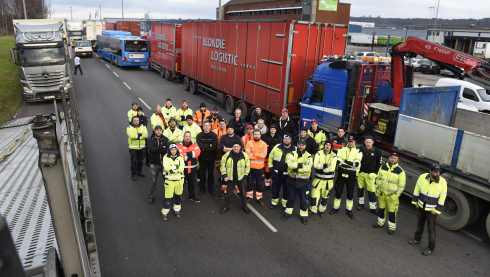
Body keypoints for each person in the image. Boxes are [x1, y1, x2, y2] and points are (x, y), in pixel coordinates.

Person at [408, 163, 447, 256]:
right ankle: (417, 239)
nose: (438, 174)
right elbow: (417, 189)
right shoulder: (422, 177)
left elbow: (443, 196)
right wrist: (415, 202)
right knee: (420, 223)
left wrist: (437, 210)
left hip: (432, 209)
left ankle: (431, 248)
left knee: (431, 229)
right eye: (435, 172)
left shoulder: (442, 181)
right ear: (430, 171)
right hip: (421, 206)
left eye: (439, 172)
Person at [373, 152, 406, 235]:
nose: (393, 159)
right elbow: (378, 178)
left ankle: (391, 227)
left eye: (395, 158)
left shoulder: (400, 171)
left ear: (398, 160)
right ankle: (380, 222)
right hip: (382, 194)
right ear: (389, 158)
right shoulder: (383, 167)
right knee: (381, 209)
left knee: (392, 212)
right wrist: (377, 189)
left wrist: (396, 195)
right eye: (391, 157)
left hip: (392, 197)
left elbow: (401, 186)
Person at [329, 135, 362, 219]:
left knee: (350, 194)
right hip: (341, 174)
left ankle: (349, 210)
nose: (351, 143)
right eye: (349, 141)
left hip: (351, 176)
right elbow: (339, 162)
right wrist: (351, 164)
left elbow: (357, 164)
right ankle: (335, 208)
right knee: (338, 192)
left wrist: (345, 161)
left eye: (352, 142)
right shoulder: (341, 149)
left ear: (354, 142)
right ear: (347, 142)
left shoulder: (358, 151)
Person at [281, 139, 312, 225]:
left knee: (303, 200)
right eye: (299, 144)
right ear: (297, 145)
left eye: (303, 145)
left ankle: (304, 216)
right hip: (292, 181)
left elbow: (308, 169)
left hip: (303, 183)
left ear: (305, 146)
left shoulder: (309, 156)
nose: (301, 146)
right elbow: (289, 165)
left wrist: (295, 167)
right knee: (291, 198)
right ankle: (287, 213)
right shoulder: (292, 153)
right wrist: (301, 165)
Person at [219, 142, 251, 215]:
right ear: (232, 147)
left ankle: (245, 207)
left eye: (237, 146)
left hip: (241, 179)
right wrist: (224, 176)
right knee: (228, 194)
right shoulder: (226, 155)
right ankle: (226, 206)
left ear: (240, 147)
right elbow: (222, 166)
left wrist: (245, 176)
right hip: (230, 179)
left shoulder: (244, 155)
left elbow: (248, 166)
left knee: (243, 194)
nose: (236, 148)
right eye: (234, 146)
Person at [310, 140, 338, 217]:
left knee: (325, 197)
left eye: (329, 145)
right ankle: (313, 209)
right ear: (324, 145)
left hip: (328, 181)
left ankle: (321, 210)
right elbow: (315, 165)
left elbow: (332, 168)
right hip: (318, 180)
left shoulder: (334, 155)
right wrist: (326, 165)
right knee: (314, 195)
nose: (327, 146)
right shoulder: (318, 153)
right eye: (326, 144)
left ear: (331, 147)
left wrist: (321, 167)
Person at [268, 133, 295, 209]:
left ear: (291, 140)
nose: (286, 140)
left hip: (288, 175)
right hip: (277, 173)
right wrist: (271, 169)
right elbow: (271, 157)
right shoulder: (277, 147)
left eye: (288, 139)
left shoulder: (295, 149)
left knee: (286, 190)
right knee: (275, 188)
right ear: (283, 139)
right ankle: (274, 202)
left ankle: (284, 203)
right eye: (285, 139)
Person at [357, 136, 382, 213]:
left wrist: (375, 173)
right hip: (360, 174)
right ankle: (360, 204)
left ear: (373, 143)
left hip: (370, 175)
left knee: (371, 192)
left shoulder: (377, 151)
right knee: (360, 190)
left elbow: (379, 163)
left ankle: (373, 208)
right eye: (367, 142)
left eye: (370, 142)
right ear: (364, 142)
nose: (368, 144)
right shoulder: (359, 149)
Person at [161, 144, 185, 221]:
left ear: (177, 150)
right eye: (172, 149)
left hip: (179, 182)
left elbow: (181, 168)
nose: (173, 151)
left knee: (178, 197)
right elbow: (166, 167)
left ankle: (177, 210)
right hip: (169, 182)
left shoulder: (180, 157)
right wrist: (176, 167)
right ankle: (165, 212)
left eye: (175, 149)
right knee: (168, 198)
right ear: (169, 150)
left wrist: (171, 169)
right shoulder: (165, 157)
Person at [245, 129, 268, 206]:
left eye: (258, 134)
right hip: (250, 168)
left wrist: (253, 153)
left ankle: (259, 198)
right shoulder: (249, 143)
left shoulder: (263, 144)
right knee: (250, 183)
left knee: (259, 183)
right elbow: (247, 155)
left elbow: (263, 156)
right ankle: (249, 197)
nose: (256, 136)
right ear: (253, 135)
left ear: (260, 135)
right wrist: (258, 155)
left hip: (260, 168)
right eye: (255, 134)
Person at [219, 125, 242, 200]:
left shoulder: (237, 137)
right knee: (224, 176)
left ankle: (238, 190)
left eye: (231, 129)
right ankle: (223, 190)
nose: (229, 130)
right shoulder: (223, 137)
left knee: (235, 175)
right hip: (225, 159)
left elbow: (239, 148)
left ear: (233, 130)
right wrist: (232, 149)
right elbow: (221, 148)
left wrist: (226, 149)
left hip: (235, 160)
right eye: (228, 129)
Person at [147, 125, 170, 204]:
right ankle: (151, 196)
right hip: (154, 164)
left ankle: (168, 196)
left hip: (165, 165)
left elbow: (167, 149)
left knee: (167, 181)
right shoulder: (150, 139)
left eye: (160, 130)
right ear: (154, 131)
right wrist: (161, 147)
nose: (159, 131)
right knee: (153, 182)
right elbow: (151, 149)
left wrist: (157, 149)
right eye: (157, 130)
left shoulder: (165, 139)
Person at [177, 132, 201, 203]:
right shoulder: (179, 145)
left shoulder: (194, 144)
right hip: (183, 170)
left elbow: (198, 153)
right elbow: (180, 156)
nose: (187, 138)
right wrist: (191, 155)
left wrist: (186, 154)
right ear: (183, 137)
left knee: (192, 184)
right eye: (186, 136)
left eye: (189, 136)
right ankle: (178, 198)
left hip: (192, 169)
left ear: (191, 137)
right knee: (181, 185)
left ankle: (192, 196)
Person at [196, 121, 218, 195]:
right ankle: (202, 188)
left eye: (208, 125)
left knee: (211, 174)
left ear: (210, 126)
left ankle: (211, 189)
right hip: (202, 159)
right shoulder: (199, 135)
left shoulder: (214, 135)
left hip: (211, 159)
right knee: (202, 174)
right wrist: (209, 145)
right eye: (205, 125)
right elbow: (199, 146)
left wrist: (204, 148)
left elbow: (214, 147)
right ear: (203, 126)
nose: (206, 127)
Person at [127, 116, 148, 181]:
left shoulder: (143, 127)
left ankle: (139, 172)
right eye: (135, 120)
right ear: (132, 121)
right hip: (133, 148)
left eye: (137, 120)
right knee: (133, 162)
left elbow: (146, 135)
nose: (136, 122)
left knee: (140, 161)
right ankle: (134, 174)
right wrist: (140, 135)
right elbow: (131, 136)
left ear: (139, 121)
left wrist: (137, 136)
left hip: (142, 147)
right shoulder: (129, 127)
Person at [262, 124, 280, 190]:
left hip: (275, 157)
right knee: (267, 171)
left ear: (276, 130)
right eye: (271, 129)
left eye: (274, 129)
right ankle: (267, 185)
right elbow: (264, 145)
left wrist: (270, 146)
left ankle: (273, 186)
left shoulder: (278, 137)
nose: (272, 130)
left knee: (273, 172)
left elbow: (279, 146)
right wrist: (273, 146)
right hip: (267, 156)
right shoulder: (265, 136)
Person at [213, 119, 227, 195]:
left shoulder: (228, 130)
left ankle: (224, 179)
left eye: (223, 124)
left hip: (225, 152)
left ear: (225, 124)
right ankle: (219, 179)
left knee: (225, 167)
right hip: (217, 152)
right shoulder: (215, 131)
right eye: (220, 124)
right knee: (218, 166)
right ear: (219, 124)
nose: (222, 125)